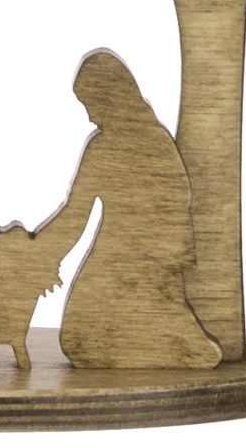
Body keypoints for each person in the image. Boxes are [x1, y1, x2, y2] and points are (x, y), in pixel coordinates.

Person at [58, 49, 222, 368]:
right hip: (119, 258)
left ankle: (177, 344)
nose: (90, 117)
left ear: (111, 98)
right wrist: (36, 254)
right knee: (78, 341)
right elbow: (74, 216)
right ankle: (157, 342)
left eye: (90, 105)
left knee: (83, 339)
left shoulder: (146, 145)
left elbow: (177, 201)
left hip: (149, 263)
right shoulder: (130, 144)